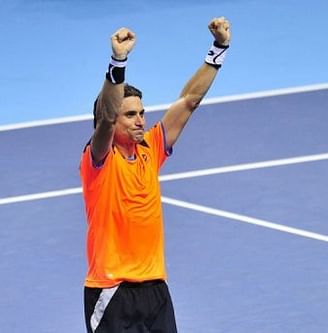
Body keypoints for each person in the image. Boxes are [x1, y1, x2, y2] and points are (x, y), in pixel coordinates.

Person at [80, 17, 231, 333]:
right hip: (112, 291)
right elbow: (107, 118)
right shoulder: (99, 160)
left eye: (142, 113)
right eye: (130, 114)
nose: (140, 120)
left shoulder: (152, 148)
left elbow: (190, 101)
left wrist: (218, 49)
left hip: (156, 289)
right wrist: (117, 62)